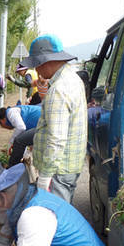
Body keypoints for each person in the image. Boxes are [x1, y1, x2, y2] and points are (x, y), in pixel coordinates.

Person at [19, 34, 87, 203]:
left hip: (58, 170)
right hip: (69, 164)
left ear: (46, 61)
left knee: (54, 212)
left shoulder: (58, 90)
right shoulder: (73, 79)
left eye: (37, 65)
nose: (36, 70)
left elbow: (56, 138)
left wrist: (45, 176)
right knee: (63, 208)